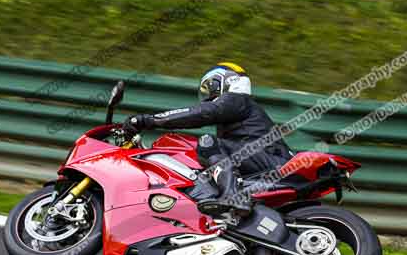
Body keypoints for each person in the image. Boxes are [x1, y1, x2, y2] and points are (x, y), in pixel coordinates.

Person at [123, 62, 293, 216]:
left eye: (209, 87)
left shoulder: (237, 100)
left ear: (226, 82)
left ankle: (233, 196)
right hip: (267, 162)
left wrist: (149, 120)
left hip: (271, 161)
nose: (207, 94)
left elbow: (201, 113)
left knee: (207, 143)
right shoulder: (239, 109)